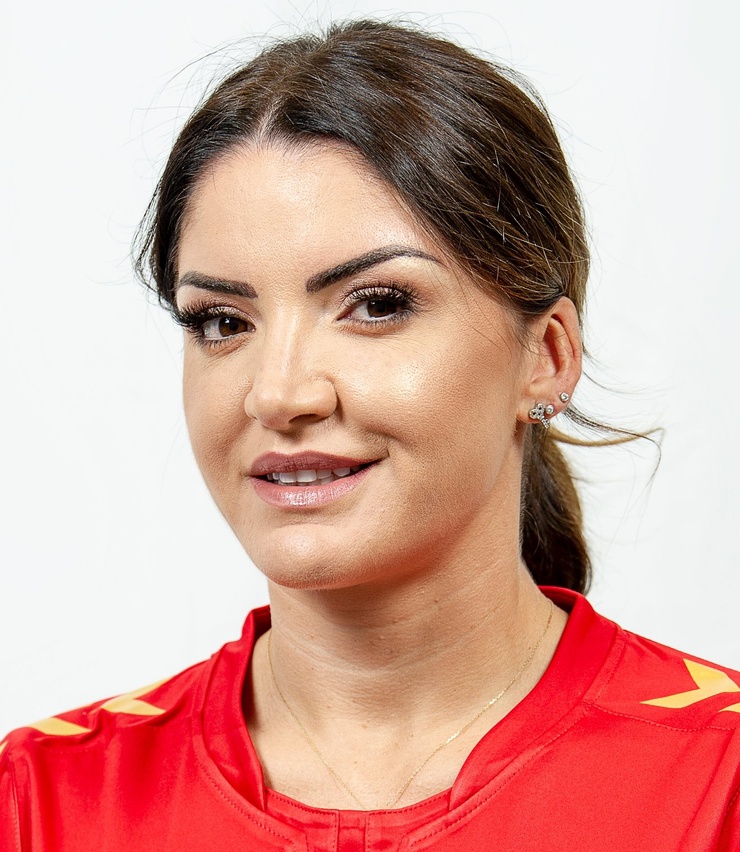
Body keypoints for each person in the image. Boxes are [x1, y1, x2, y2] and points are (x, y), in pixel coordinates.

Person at [1, 19, 738, 851]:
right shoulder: (41, 804)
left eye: (377, 305)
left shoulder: (720, 782)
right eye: (222, 321)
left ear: (547, 357)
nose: (279, 393)